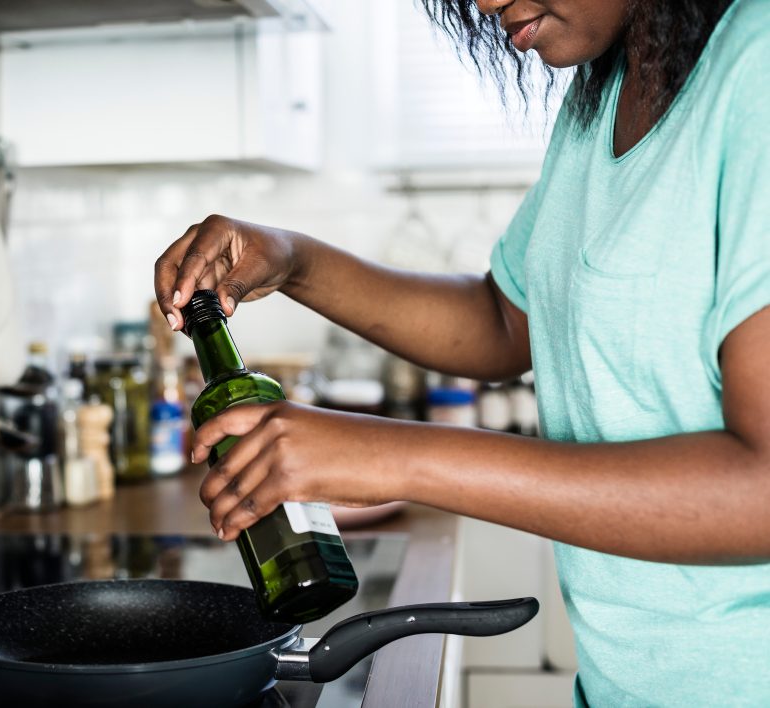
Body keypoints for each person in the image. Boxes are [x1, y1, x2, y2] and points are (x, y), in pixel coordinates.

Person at [154, 0, 770, 704]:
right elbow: (504, 319)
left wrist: (393, 456)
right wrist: (293, 260)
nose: (480, 3)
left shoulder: (756, 66)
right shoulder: (604, 89)